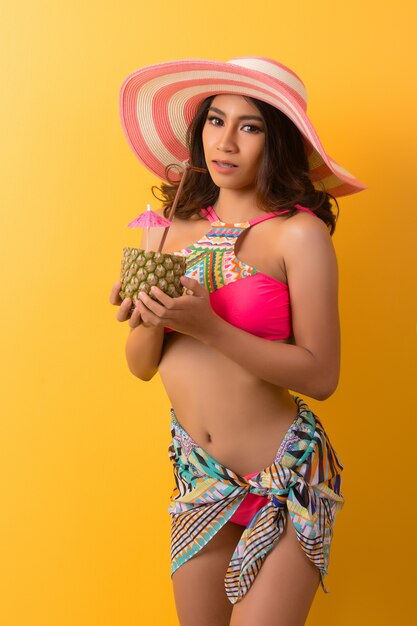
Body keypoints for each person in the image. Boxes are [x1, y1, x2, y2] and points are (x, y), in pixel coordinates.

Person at [109, 57, 365, 626]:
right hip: (199, 477)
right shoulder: (169, 225)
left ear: (275, 141)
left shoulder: (299, 234)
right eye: (215, 121)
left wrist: (211, 327)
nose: (224, 142)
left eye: (248, 127)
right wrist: (147, 313)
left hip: (284, 476)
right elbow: (141, 366)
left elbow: (322, 377)